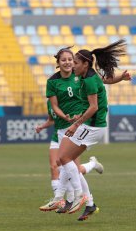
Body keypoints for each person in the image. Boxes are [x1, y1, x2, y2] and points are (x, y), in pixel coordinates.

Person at [55, 39, 129, 219]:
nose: (72, 65)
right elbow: (105, 80)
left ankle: (76, 197)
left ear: (85, 64)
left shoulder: (88, 79)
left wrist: (75, 123)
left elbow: (94, 107)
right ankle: (87, 203)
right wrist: (120, 78)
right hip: (89, 125)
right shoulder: (89, 75)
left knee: (65, 159)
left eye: (76, 62)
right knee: (64, 161)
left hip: (93, 126)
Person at [38, 47, 104, 217]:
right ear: (58, 63)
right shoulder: (53, 81)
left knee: (65, 164)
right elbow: (53, 107)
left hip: (80, 126)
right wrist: (66, 118)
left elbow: (100, 84)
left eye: (71, 60)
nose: (69, 63)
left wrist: (75, 121)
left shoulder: (82, 77)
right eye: (65, 60)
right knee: (64, 165)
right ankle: (83, 201)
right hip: (62, 127)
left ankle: (72, 197)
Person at [36, 99, 104, 213]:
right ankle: (60, 200)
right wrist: (42, 127)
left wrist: (74, 121)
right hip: (57, 136)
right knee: (55, 166)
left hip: (71, 135)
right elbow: (51, 120)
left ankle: (86, 199)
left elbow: (83, 113)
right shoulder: (50, 102)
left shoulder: (70, 98)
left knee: (74, 170)